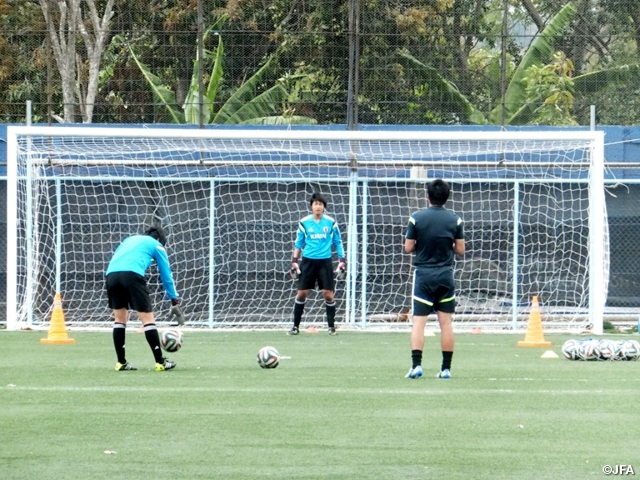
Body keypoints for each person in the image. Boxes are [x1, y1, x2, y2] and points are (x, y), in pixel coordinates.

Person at [404, 179, 465, 379]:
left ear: (427, 196)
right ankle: (446, 369)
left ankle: (416, 366)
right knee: (445, 323)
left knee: (418, 323)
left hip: (424, 275)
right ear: (446, 197)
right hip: (445, 274)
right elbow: (461, 250)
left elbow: (408, 247)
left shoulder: (416, 218)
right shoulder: (455, 220)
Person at [105, 225, 184, 372]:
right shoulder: (157, 245)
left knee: (119, 320)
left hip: (111, 275)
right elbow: (166, 275)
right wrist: (174, 299)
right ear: (160, 239)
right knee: (148, 320)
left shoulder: (128, 240)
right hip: (132, 275)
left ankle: (121, 362)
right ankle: (160, 362)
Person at [288, 192, 346, 336]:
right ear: (311, 206)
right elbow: (299, 243)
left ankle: (331, 327)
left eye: (320, 204)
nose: (318, 207)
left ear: (324, 207)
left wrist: (342, 260)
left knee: (328, 295)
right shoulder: (304, 222)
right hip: (307, 261)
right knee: (301, 294)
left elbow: (338, 242)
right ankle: (295, 327)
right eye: (316, 204)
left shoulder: (331, 223)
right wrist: (294, 262)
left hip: (324, 262)